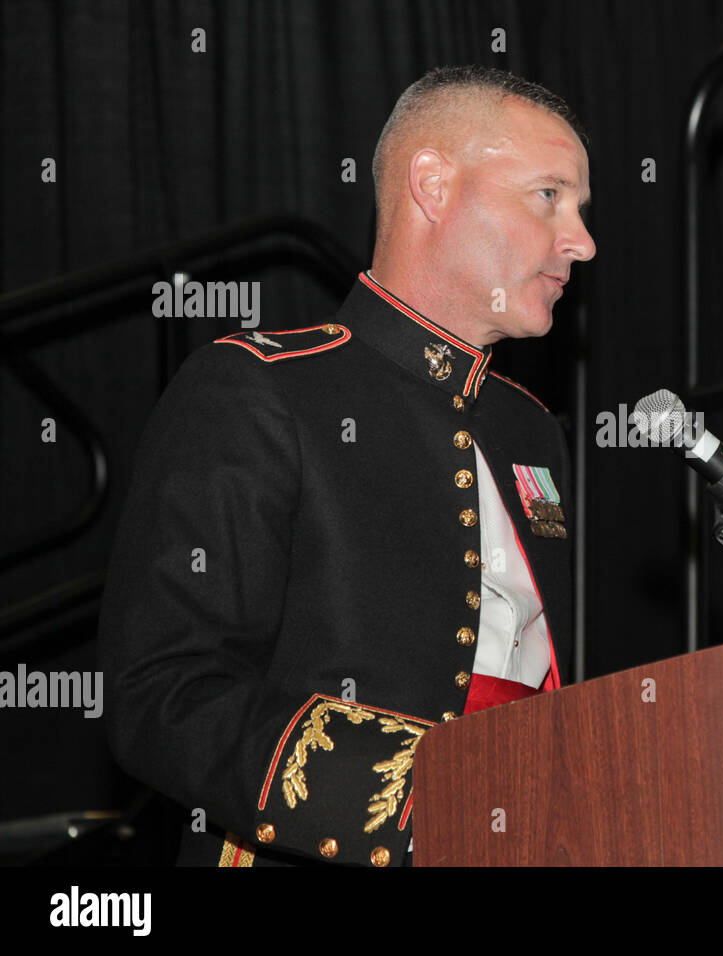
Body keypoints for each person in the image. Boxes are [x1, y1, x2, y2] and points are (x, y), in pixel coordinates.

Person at [97, 65, 596, 867]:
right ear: (432, 185)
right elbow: (163, 694)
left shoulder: (530, 430)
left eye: (580, 209)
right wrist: (441, 798)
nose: (581, 240)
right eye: (549, 196)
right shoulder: (260, 386)